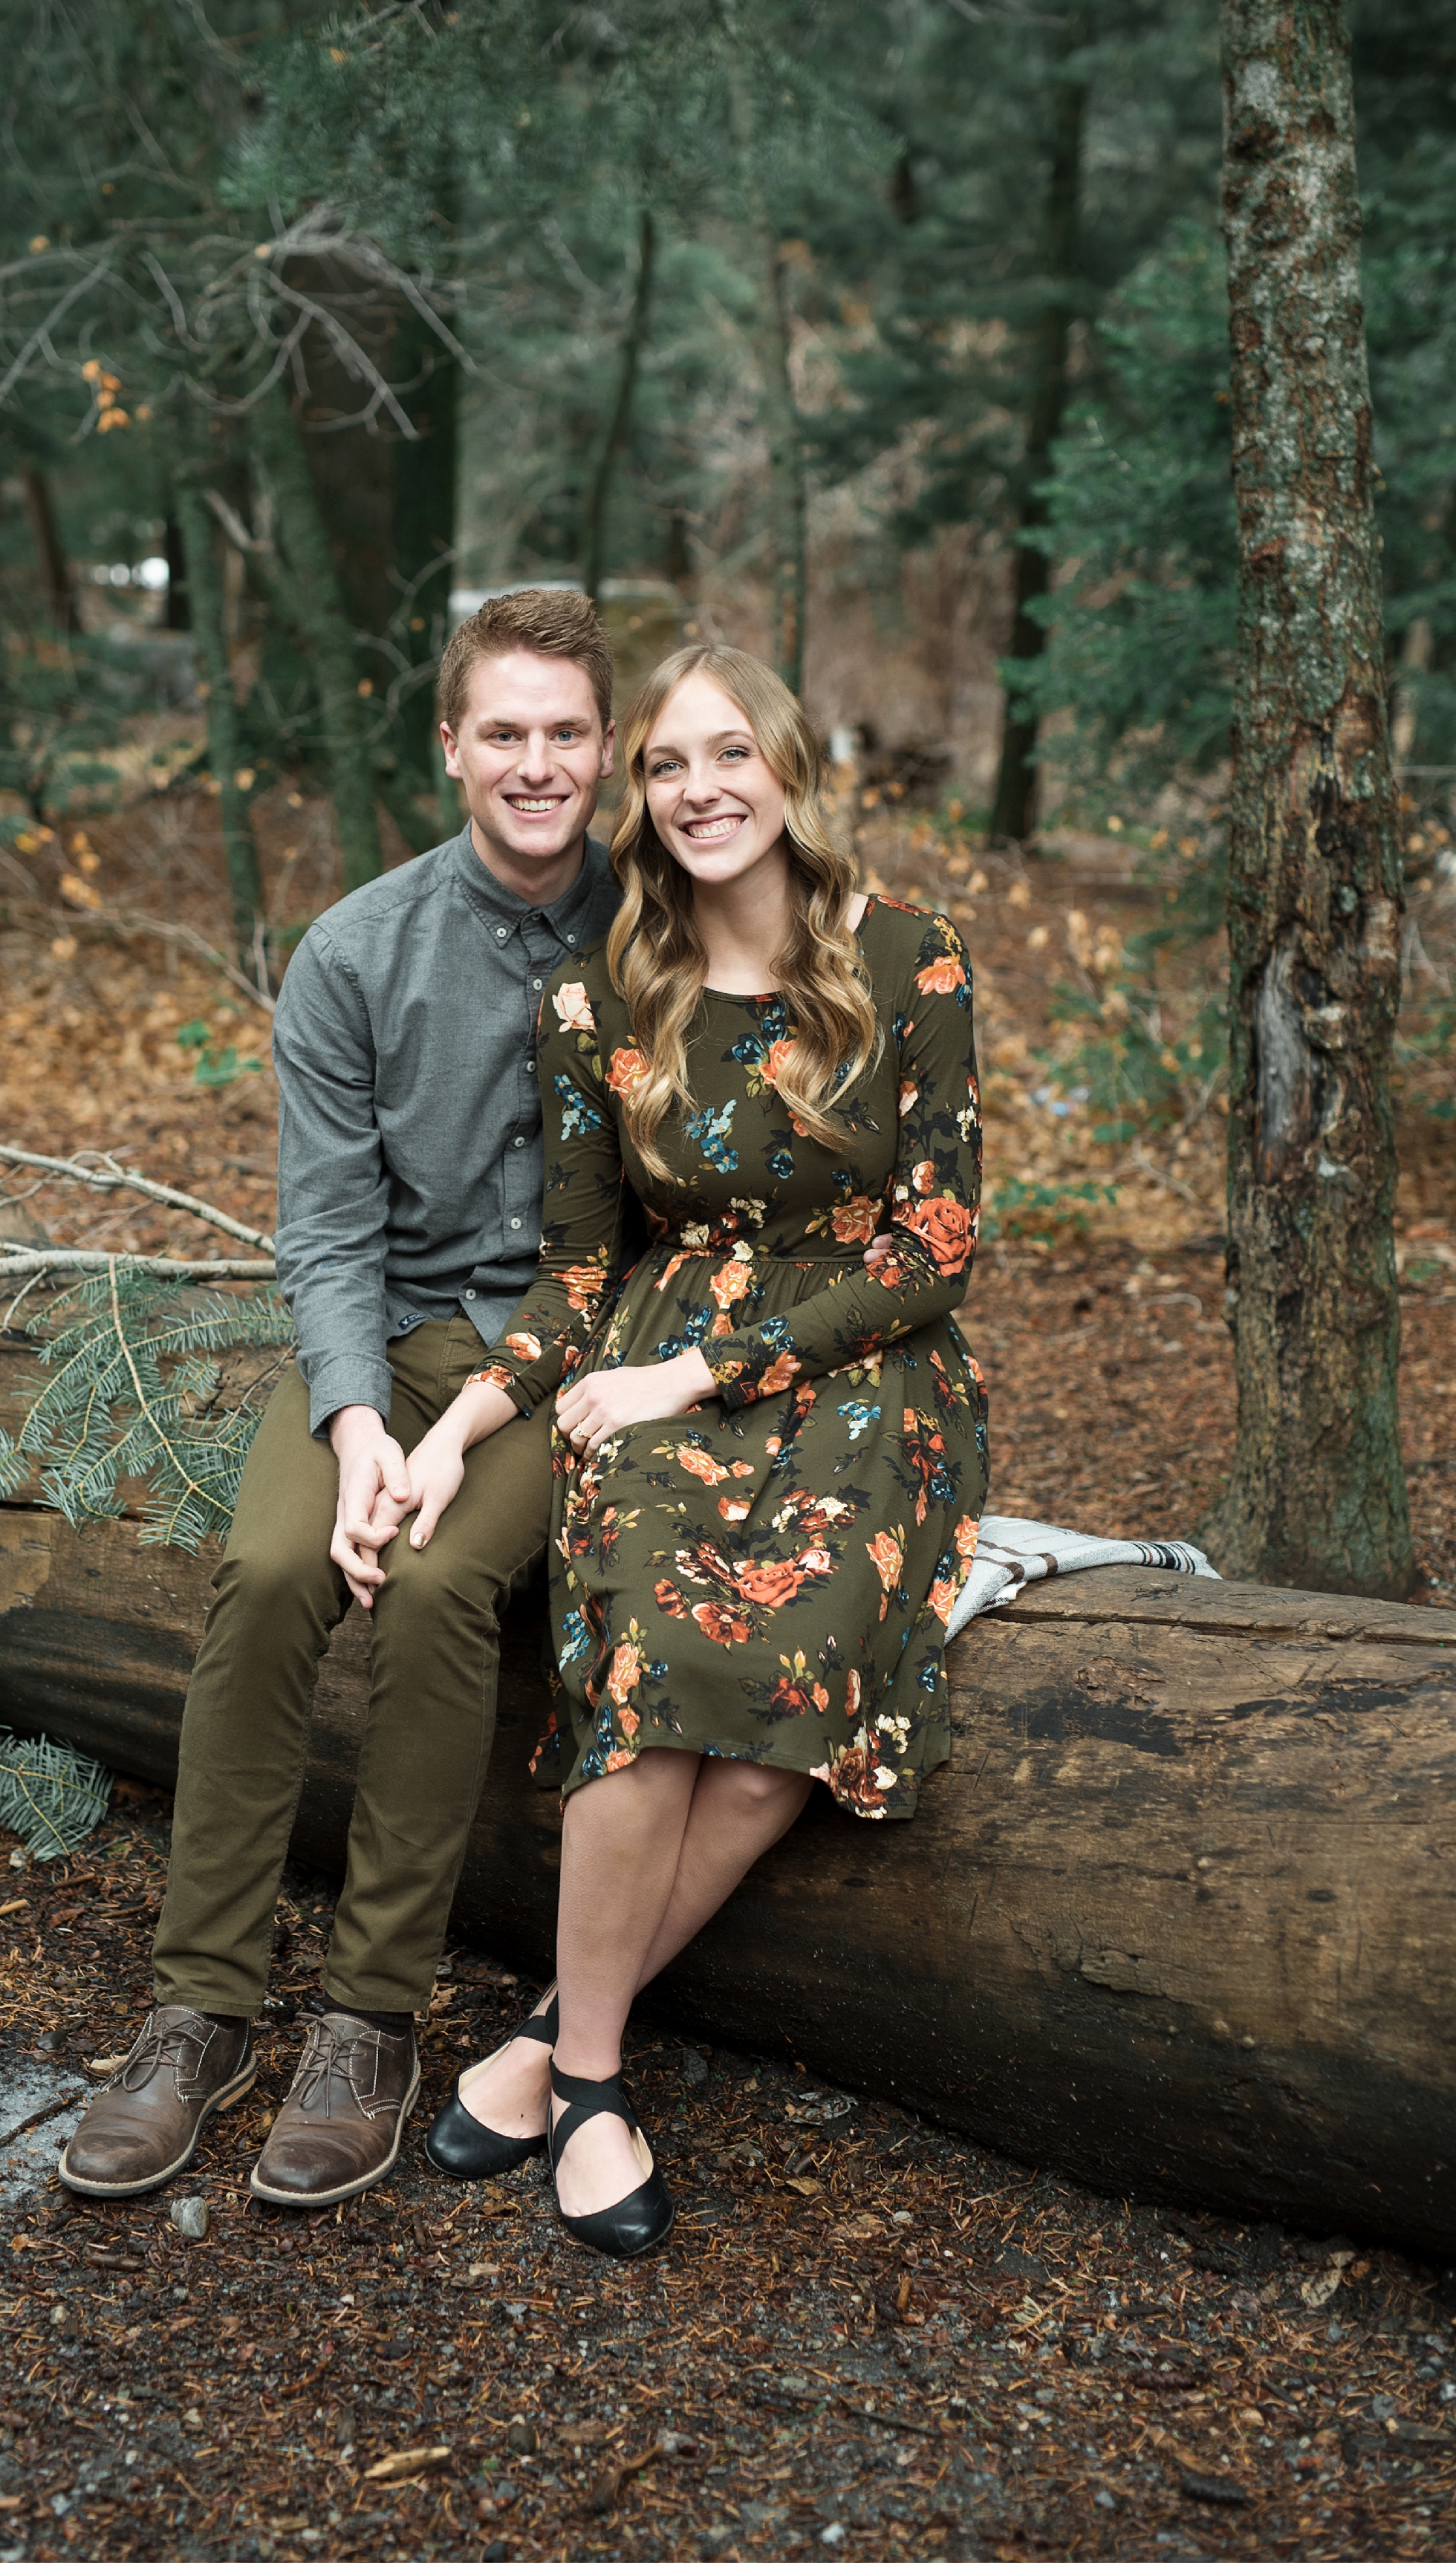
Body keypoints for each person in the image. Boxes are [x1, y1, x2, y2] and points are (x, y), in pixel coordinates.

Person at [402, 643, 988, 2256]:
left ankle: (545, 2045)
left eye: (730, 755)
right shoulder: (601, 998)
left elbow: (931, 1247)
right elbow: (579, 1274)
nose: (699, 789)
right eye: (665, 766)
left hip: (865, 1376)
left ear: (789, 774)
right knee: (656, 1670)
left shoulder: (908, 961)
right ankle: (592, 2081)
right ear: (639, 799)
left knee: (775, 1713)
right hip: (647, 1369)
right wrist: (467, 1420)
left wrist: (702, 1371)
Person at [57, 588, 625, 2208]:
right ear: (448, 745)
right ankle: (201, 2008)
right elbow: (322, 1229)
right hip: (381, 1346)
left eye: (564, 733)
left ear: (604, 750)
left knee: (443, 1584)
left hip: (558, 1351)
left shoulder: (653, 935)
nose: (534, 763)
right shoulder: (355, 949)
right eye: (501, 731)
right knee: (271, 1566)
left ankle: (370, 2016)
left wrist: (470, 1431)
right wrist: (358, 1421)